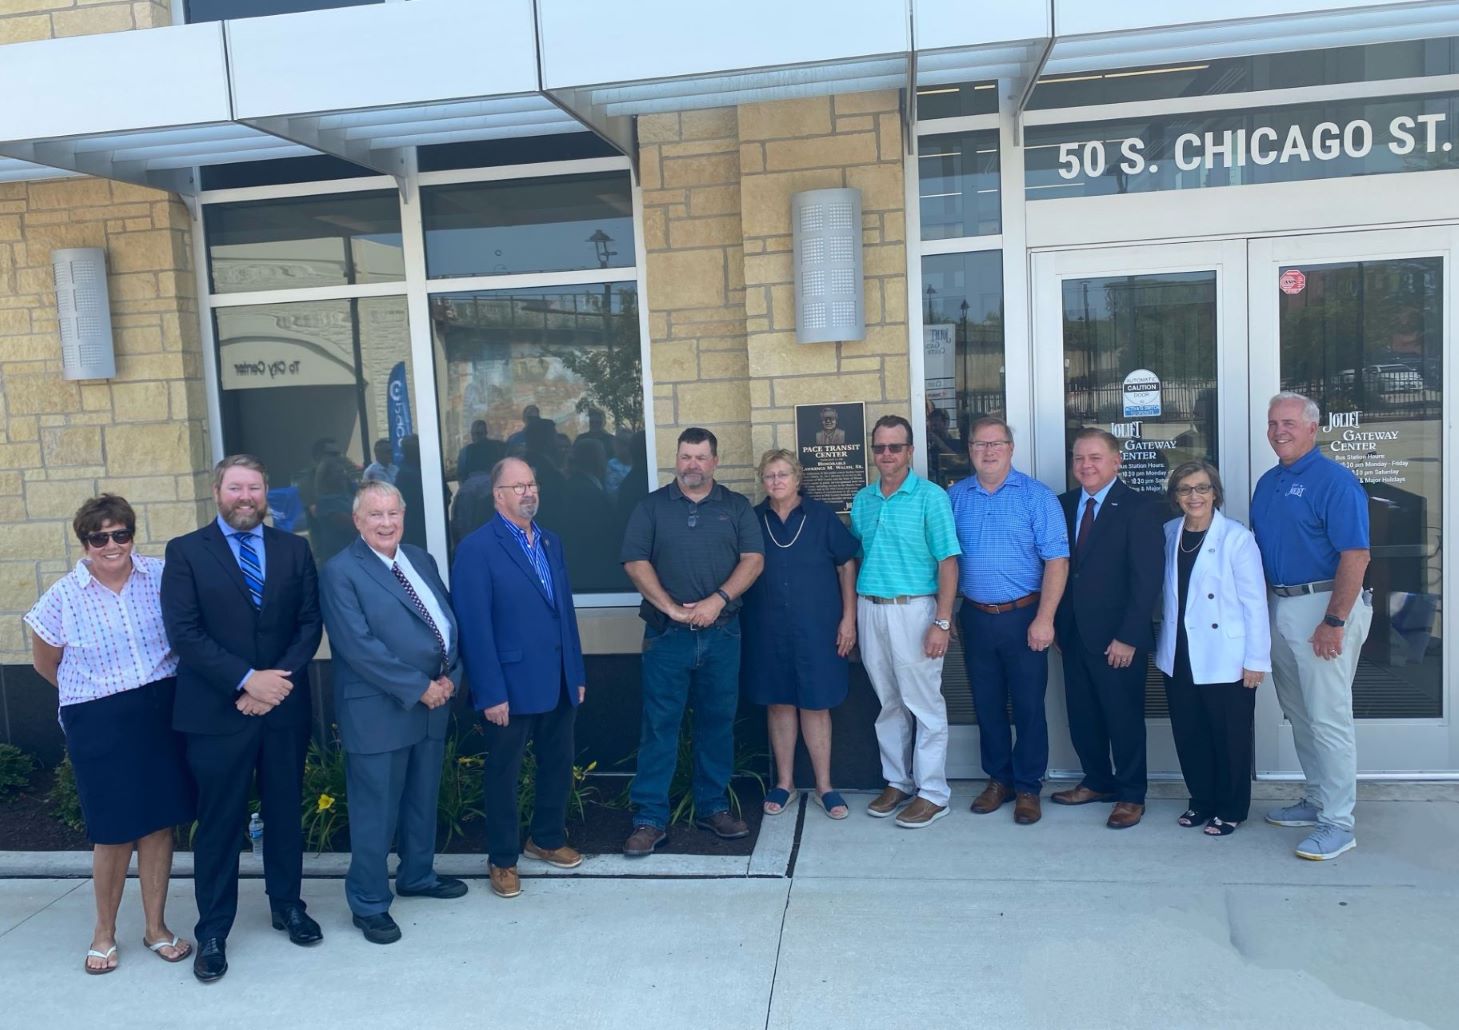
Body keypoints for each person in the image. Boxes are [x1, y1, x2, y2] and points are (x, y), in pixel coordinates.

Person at [161, 454, 325, 984]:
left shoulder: (294, 548)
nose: (246, 497)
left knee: (283, 812)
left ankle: (287, 906)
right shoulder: (186, 552)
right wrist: (245, 680)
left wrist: (270, 685)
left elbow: (308, 624)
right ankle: (212, 929)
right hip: (216, 711)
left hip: (280, 709)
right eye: (236, 488)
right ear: (217, 492)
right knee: (219, 824)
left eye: (254, 487)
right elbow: (184, 632)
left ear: (266, 493)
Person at [25, 495, 195, 975]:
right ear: (85, 542)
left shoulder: (161, 576)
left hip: (160, 708)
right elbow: (45, 662)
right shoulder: (62, 597)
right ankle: (104, 932)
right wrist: (90, 694)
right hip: (97, 715)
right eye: (99, 537)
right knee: (114, 830)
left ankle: (156, 928)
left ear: (131, 535)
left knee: (159, 823)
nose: (111, 544)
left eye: (120, 533)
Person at [318, 481, 468, 945]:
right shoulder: (342, 571)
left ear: (404, 515)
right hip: (380, 709)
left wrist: (451, 677)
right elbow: (358, 647)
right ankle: (368, 902)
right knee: (375, 810)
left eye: (393, 513)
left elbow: (445, 620)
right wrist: (419, 687)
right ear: (358, 521)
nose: (386, 523)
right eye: (375, 515)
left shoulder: (419, 559)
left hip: (432, 701)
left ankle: (417, 875)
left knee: (422, 798)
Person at [619, 427, 764, 855]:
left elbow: (754, 560)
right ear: (676, 460)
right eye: (686, 457)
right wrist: (671, 608)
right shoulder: (651, 507)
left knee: (717, 723)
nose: (693, 465)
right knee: (660, 726)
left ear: (715, 461)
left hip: (723, 633)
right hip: (667, 637)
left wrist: (717, 601)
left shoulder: (735, 507)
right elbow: (634, 561)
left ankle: (713, 806)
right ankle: (649, 818)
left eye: (701, 457)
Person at [452, 458, 588, 896]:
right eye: (518, 486)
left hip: (558, 677)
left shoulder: (551, 541)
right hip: (508, 685)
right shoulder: (477, 547)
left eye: (532, 484)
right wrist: (490, 692)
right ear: (498, 496)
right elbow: (474, 625)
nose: (528, 492)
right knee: (504, 774)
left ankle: (546, 839)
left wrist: (577, 671)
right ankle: (503, 859)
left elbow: (563, 610)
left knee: (558, 763)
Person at [1251, 392, 1372, 861]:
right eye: (1272, 423)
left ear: (1312, 428)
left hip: (1323, 606)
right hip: (1281, 606)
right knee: (1299, 713)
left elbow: (1356, 555)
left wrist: (1334, 620)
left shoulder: (1335, 482)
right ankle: (1317, 797)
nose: (1279, 431)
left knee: (1329, 717)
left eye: (1288, 423)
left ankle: (1339, 822)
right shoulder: (1269, 482)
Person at [948, 417, 1069, 826]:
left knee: (1029, 705)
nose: (988, 451)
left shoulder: (1036, 497)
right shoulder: (956, 497)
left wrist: (1045, 619)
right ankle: (998, 780)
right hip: (976, 617)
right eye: (980, 444)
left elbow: (1057, 560)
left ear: (1010, 448)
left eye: (996, 443)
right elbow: (944, 561)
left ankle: (1029, 786)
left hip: (1024, 617)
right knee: (987, 704)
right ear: (969, 449)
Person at [849, 414, 961, 829]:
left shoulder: (932, 497)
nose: (887, 454)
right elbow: (860, 556)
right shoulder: (863, 500)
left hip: (915, 610)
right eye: (880, 447)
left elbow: (948, 562)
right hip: (870, 607)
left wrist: (943, 621)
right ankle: (898, 782)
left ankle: (934, 793)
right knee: (889, 704)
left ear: (910, 451)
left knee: (925, 705)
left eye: (895, 447)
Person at [1052, 428, 1163, 829]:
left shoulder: (1140, 507)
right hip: (1074, 633)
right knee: (1082, 715)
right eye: (1079, 458)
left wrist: (1130, 636)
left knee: (1123, 718)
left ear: (1116, 461)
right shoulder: (1062, 505)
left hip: (1119, 637)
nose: (1086, 466)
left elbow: (1147, 579)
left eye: (1095, 457)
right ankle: (1097, 781)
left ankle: (1132, 794)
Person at [742, 449, 859, 820]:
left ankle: (825, 786)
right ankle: (785, 783)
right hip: (767, 628)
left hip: (818, 628)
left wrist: (848, 619)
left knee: (815, 703)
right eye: (769, 476)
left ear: (798, 478)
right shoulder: (752, 520)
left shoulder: (822, 517)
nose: (776, 481)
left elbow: (846, 565)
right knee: (778, 703)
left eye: (783, 474)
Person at [1155, 461, 1271, 837]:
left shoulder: (1237, 538)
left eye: (1202, 488)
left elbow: (1256, 603)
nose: (1194, 496)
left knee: (1229, 736)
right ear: (1175, 497)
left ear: (1215, 493)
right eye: (1185, 489)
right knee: (1190, 733)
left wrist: (1256, 660)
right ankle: (1201, 799)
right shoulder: (1169, 533)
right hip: (1180, 651)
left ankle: (1232, 807)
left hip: (1227, 655)